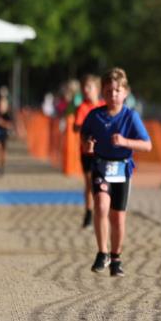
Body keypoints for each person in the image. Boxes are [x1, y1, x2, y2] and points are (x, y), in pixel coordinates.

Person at [80, 68, 152, 276]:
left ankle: (116, 257)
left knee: (117, 217)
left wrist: (125, 142)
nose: (113, 95)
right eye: (109, 90)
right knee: (101, 206)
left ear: (126, 92)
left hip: (122, 168)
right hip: (101, 166)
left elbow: (147, 145)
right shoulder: (95, 116)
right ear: (103, 92)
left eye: (117, 90)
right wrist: (88, 145)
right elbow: (85, 138)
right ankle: (102, 252)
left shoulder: (131, 117)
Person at [73, 74, 106, 228]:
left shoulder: (103, 105)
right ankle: (88, 212)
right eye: (84, 87)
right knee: (89, 183)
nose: (86, 90)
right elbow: (76, 127)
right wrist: (85, 129)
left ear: (97, 90)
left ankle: (101, 211)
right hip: (86, 152)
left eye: (89, 87)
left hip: (102, 152)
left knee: (101, 184)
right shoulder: (82, 107)